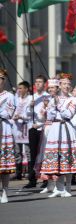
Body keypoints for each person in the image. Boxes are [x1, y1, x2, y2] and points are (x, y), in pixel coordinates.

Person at [40, 73, 76, 198]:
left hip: (66, 128)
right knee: (57, 158)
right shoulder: (54, 98)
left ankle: (68, 187)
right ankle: (59, 187)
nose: (67, 86)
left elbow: (68, 114)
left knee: (67, 157)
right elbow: (51, 117)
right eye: (64, 84)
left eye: (69, 84)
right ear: (60, 85)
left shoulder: (73, 99)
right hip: (55, 128)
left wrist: (58, 105)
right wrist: (50, 106)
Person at [35, 78, 59, 194]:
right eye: (49, 88)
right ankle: (49, 183)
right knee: (45, 155)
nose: (51, 90)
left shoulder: (59, 100)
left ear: (57, 88)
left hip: (55, 127)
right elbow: (40, 117)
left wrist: (50, 107)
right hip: (47, 128)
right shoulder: (47, 100)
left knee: (53, 154)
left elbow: (56, 115)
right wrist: (44, 108)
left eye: (53, 88)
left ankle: (55, 183)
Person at [25, 75, 49, 188]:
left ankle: (45, 179)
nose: (38, 84)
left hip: (43, 127)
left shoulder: (47, 97)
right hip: (33, 128)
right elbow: (26, 114)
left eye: (40, 82)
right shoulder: (31, 97)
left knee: (43, 153)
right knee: (32, 154)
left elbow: (48, 115)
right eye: (36, 82)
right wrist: (30, 107)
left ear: (44, 84)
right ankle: (32, 179)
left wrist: (39, 123)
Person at [0, 69, 16, 203]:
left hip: (4, 129)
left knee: (4, 165)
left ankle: (4, 191)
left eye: (1, 78)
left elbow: (8, 113)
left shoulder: (9, 96)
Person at [12, 81, 31, 181]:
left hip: (26, 127)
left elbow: (29, 114)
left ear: (26, 89)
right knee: (17, 151)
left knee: (28, 151)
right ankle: (18, 173)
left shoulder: (30, 99)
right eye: (18, 89)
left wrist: (21, 116)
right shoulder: (16, 99)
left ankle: (30, 172)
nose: (19, 90)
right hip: (17, 127)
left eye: (21, 88)